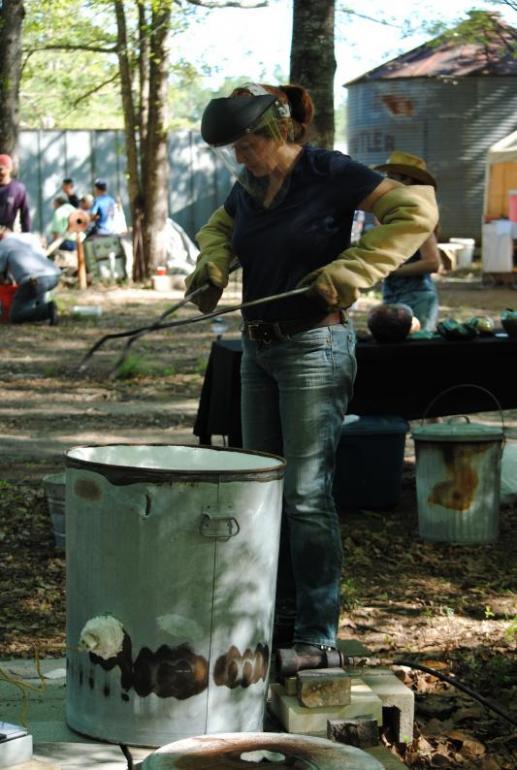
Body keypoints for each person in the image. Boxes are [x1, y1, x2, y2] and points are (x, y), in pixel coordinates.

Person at [185, 83, 438, 663]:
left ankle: (316, 638)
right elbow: (219, 229)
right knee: (263, 492)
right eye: (232, 150)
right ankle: (273, 623)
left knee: (303, 496)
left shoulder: (330, 171)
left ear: (277, 130)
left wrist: (352, 269)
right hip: (258, 350)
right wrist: (214, 264)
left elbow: (414, 211)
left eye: (246, 145)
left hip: (314, 348)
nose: (240, 157)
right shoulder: (249, 185)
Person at [373, 151, 441, 331]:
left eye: (391, 177)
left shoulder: (417, 214)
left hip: (416, 297)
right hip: (391, 294)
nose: (385, 182)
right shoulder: (391, 213)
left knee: (415, 346)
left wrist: (393, 271)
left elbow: (433, 262)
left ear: (407, 181)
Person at [0, 228, 60, 324]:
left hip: (35, 279)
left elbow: (1, 272)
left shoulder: (3, 244)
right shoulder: (28, 237)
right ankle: (45, 310)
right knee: (35, 292)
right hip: (54, 274)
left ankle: (47, 310)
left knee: (16, 316)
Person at [0, 154, 31, 232]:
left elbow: (25, 214)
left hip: (7, 234)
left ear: (9, 169)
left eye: (0, 169)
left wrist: (26, 234)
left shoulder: (18, 189)